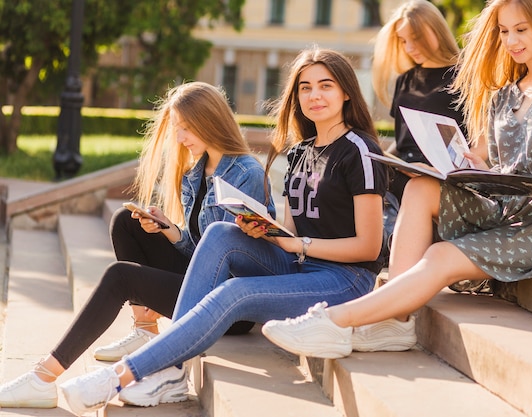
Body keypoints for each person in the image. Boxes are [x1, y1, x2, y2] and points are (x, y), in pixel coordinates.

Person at [261, 0, 532, 359]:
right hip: (505, 208)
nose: (511, 41)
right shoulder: (506, 91)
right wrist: (467, 162)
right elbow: (490, 158)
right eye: (504, 31)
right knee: (420, 186)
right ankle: (395, 322)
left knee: (442, 254)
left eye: (521, 30)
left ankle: (334, 321)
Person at [54, 46, 389, 416]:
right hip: (299, 266)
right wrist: (265, 230)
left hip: (345, 279)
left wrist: (296, 244)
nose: (315, 96)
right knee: (220, 234)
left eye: (325, 86)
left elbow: (369, 247)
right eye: (305, 88)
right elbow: (289, 232)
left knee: (236, 291)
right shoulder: (299, 152)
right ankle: (170, 369)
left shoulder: (360, 150)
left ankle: (127, 375)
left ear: (346, 92)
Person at [0, 81, 273, 409]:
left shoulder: (247, 174)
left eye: (186, 128)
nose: (180, 138)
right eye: (177, 129)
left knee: (121, 277)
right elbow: (200, 250)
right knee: (126, 222)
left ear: (209, 121)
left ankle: (43, 377)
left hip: (228, 307)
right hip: (203, 283)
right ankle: (146, 329)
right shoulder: (196, 171)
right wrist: (170, 230)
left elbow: (228, 259)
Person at [371, 0, 490, 293]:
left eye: (416, 38)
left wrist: (435, 169)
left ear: (436, 30)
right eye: (403, 40)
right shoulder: (405, 80)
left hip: (445, 179)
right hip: (404, 175)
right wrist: (386, 159)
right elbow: (402, 144)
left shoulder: (467, 76)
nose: (410, 47)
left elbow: (479, 146)